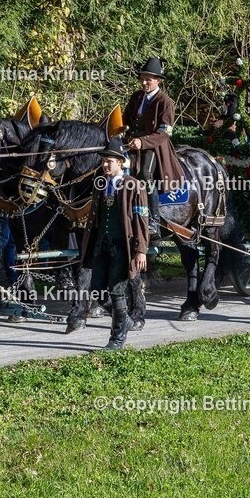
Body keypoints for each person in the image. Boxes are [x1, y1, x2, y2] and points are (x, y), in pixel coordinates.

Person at [79, 138, 150, 350]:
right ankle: (125, 320)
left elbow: (141, 220)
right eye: (104, 161)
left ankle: (117, 339)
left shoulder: (133, 186)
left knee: (117, 291)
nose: (106, 165)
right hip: (102, 245)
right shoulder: (100, 185)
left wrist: (141, 251)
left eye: (110, 161)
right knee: (97, 292)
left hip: (123, 246)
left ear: (121, 162)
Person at [124, 57, 185, 234]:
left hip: (153, 146)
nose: (144, 83)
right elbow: (126, 119)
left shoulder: (166, 102)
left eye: (148, 80)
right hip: (130, 142)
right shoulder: (136, 96)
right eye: (142, 78)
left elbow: (164, 132)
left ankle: (153, 218)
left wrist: (142, 142)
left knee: (144, 173)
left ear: (158, 80)